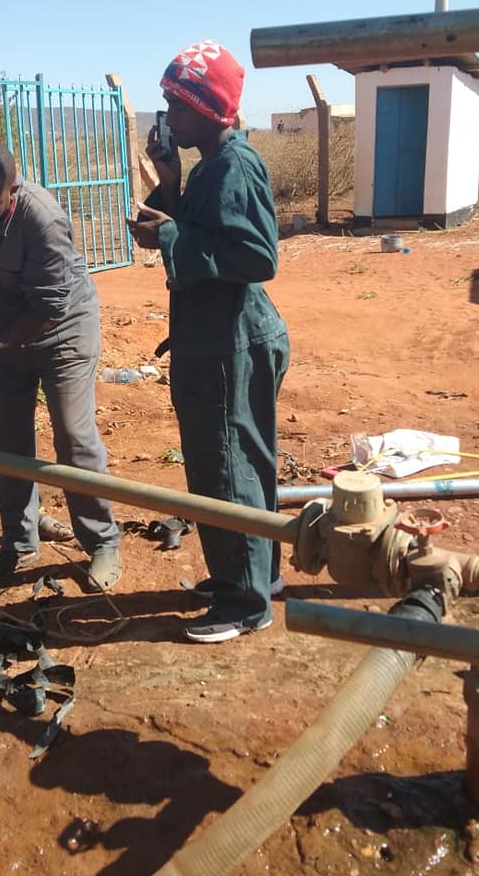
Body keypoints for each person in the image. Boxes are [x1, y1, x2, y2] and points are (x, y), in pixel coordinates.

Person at [127, 39, 290, 644]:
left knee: (226, 470)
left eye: (175, 105)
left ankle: (244, 600)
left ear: (207, 109)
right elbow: (201, 232)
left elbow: (256, 255)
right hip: (221, 340)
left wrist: (168, 237)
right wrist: (168, 187)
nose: (167, 117)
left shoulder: (232, 166)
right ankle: (256, 574)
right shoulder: (210, 165)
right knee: (243, 463)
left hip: (229, 346)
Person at [0, 140, 121, 590]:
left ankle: (102, 542)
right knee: (6, 441)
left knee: (73, 436)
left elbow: (50, 307)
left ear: (11, 192)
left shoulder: (42, 218)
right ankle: (19, 542)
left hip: (62, 330)